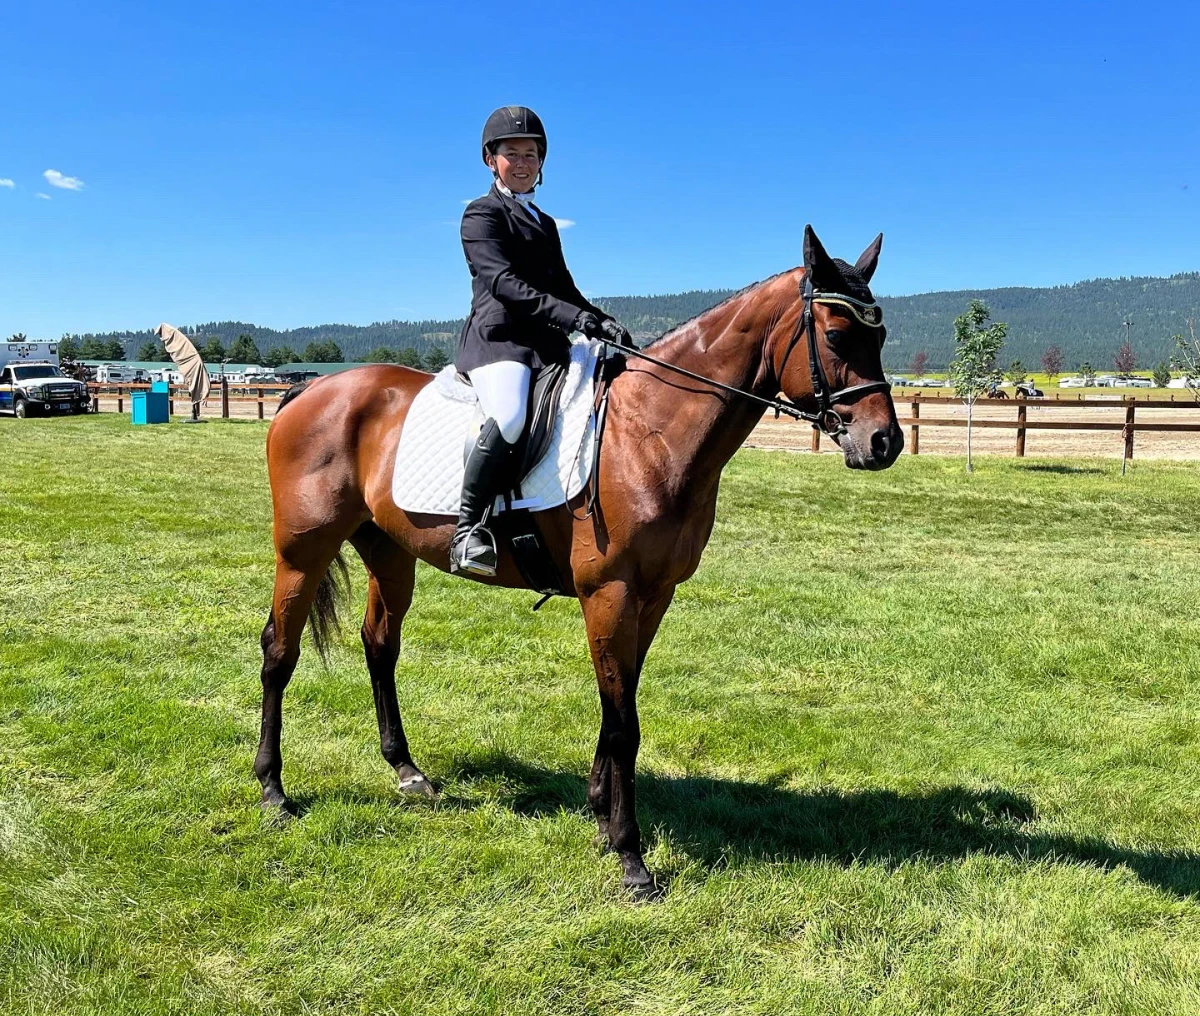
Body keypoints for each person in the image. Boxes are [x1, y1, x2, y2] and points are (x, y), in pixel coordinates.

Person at [450, 105, 633, 576]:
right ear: (491, 159)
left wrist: (602, 321)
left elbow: (564, 287)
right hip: (500, 342)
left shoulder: (545, 223)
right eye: (512, 153)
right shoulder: (481, 214)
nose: (523, 162)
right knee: (510, 414)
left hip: (547, 345)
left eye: (531, 154)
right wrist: (574, 318)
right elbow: (504, 283)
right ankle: (468, 531)